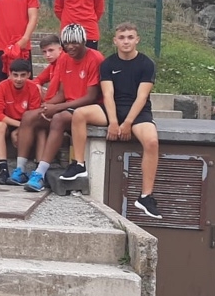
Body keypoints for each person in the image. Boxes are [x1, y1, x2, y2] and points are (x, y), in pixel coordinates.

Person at [62, 22, 162, 219]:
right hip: (112, 109)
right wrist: (114, 122)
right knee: (79, 114)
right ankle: (79, 164)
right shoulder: (108, 64)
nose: (126, 42)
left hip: (138, 112)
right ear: (115, 41)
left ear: (137, 40)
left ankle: (145, 197)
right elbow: (108, 95)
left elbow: (142, 97)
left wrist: (127, 123)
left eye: (130, 37)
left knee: (152, 142)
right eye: (122, 38)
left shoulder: (146, 64)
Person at [11, 24, 104, 192]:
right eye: (67, 43)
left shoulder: (95, 58)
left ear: (84, 41)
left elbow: (91, 97)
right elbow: (62, 93)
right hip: (67, 106)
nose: (71, 46)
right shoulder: (65, 59)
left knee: (58, 118)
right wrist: (48, 106)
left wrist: (57, 108)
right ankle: (20, 170)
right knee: (29, 116)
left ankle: (40, 174)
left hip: (87, 109)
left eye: (75, 42)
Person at [0, 58, 41, 185]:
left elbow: (34, 115)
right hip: (10, 123)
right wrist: (20, 126)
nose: (18, 79)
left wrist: (21, 130)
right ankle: (3, 170)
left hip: (27, 123)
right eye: (15, 75)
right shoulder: (2, 86)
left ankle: (38, 170)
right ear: (10, 74)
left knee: (40, 129)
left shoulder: (33, 88)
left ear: (29, 75)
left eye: (23, 75)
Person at [33, 34, 63, 100]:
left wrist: (46, 101)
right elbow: (38, 79)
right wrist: (37, 86)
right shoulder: (53, 64)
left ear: (60, 49)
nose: (47, 55)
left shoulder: (63, 61)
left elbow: (54, 86)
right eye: (44, 52)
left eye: (51, 50)